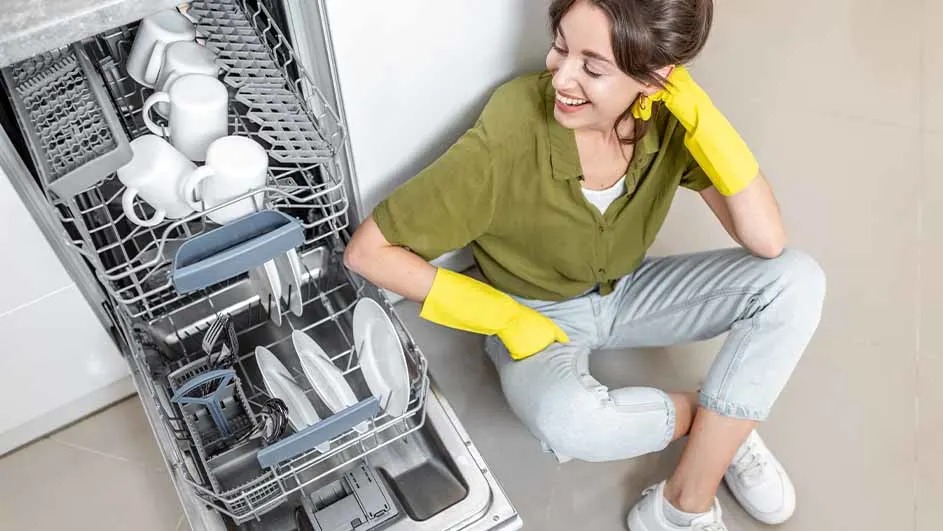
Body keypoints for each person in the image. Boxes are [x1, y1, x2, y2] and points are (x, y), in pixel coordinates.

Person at [344, 0, 826, 529]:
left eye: (593, 68)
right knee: (570, 422)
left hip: (627, 290)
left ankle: (681, 504)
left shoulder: (665, 118)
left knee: (797, 282)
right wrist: (505, 319)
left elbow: (767, 240)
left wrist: (701, 116)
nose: (561, 76)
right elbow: (367, 253)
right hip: (537, 314)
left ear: (656, 79)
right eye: (561, 47)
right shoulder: (507, 136)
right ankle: (723, 428)